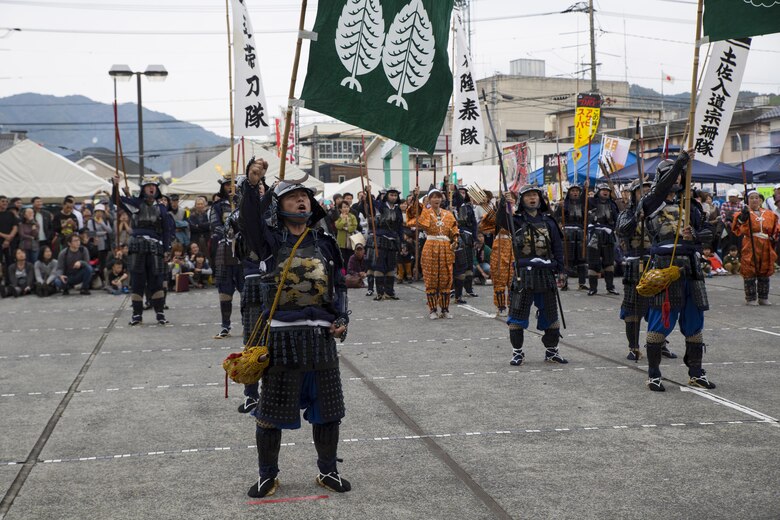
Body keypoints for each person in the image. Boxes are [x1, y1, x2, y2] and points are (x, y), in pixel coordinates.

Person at [240, 167, 351, 498]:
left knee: (329, 412)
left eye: (304, 197)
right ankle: (267, 475)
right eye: (292, 197)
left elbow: (339, 284)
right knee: (271, 414)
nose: (301, 201)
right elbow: (249, 222)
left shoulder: (327, 243)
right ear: (279, 206)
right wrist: (252, 183)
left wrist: (342, 317)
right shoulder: (270, 243)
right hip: (283, 339)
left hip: (320, 340)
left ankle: (328, 471)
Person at [640, 151, 714, 391]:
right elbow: (659, 191)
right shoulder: (651, 202)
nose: (677, 180)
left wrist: (697, 235)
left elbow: (708, 233)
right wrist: (679, 162)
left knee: (694, 324)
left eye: (680, 175)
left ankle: (695, 372)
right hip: (664, 267)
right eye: (671, 175)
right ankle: (654, 374)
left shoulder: (690, 205)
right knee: (660, 323)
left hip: (690, 268)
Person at [498, 185, 568, 366]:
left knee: (551, 315)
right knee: (517, 314)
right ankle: (517, 352)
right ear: (522, 200)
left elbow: (557, 248)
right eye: (528, 196)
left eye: (535, 195)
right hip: (524, 274)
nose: (532, 198)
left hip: (546, 273)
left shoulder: (549, 221)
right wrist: (502, 203)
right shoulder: (516, 221)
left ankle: (552, 351)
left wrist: (560, 270)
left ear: (540, 199)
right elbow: (501, 220)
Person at [112, 175, 173, 325]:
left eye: (154, 186)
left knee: (157, 281)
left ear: (157, 189)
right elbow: (116, 201)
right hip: (137, 247)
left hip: (155, 247)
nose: (151, 188)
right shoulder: (136, 204)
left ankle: (160, 313)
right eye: (148, 186)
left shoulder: (162, 208)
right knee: (138, 281)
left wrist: (166, 249)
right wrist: (115, 185)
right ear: (143, 189)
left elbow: (166, 231)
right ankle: (137, 315)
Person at [408, 187, 459, 319]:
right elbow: (415, 212)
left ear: (442, 199)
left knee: (445, 278)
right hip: (430, 246)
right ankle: (432, 310)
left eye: (439, 196)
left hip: (446, 248)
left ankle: (445, 309)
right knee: (431, 279)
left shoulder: (448, 214)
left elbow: (454, 229)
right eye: (434, 197)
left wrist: (455, 240)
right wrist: (415, 197)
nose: (436, 199)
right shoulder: (425, 213)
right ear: (429, 199)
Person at [210, 176, 244, 339]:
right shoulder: (217, 206)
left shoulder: (245, 205)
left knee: (246, 291)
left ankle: (248, 324)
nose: (231, 188)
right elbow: (214, 227)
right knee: (225, 291)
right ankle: (225, 325)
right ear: (222, 187)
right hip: (224, 249)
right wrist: (227, 231)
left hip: (243, 249)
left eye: (233, 185)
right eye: (227, 186)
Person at [732, 190, 780, 305]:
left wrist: (774, 238)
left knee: (765, 268)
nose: (754, 200)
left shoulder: (769, 213)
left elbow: (775, 228)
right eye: (752, 198)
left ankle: (763, 297)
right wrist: (743, 216)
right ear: (747, 200)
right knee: (749, 268)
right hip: (750, 242)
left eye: (757, 198)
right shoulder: (743, 213)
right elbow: (736, 227)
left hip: (765, 243)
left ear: (760, 200)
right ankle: (751, 298)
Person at [479, 195, 515, 316]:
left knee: (513, 279)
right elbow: (483, 226)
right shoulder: (497, 216)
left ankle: (513, 305)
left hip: (513, 248)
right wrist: (496, 210)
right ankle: (501, 306)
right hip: (499, 246)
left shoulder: (518, 214)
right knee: (499, 277)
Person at [370, 186, 403, 300]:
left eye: (395, 195)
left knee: (391, 267)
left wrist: (401, 242)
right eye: (391, 195)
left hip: (394, 240)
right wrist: (368, 192)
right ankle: (380, 293)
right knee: (380, 266)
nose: (393, 197)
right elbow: (370, 202)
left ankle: (389, 292)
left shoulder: (398, 209)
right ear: (387, 196)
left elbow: (400, 227)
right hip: (381, 239)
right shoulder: (381, 206)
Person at [586, 184, 620, 296]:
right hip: (594, 234)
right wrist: (585, 188)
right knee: (593, 261)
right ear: (598, 191)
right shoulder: (591, 202)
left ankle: (610, 287)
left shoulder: (612, 204)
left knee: (609, 261)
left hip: (608, 234)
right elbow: (582, 202)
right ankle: (593, 288)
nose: (605, 192)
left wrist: (614, 229)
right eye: (603, 190)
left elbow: (617, 219)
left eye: (607, 190)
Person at [555, 185, 589, 290]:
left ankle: (582, 283)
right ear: (569, 192)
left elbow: (586, 219)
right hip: (568, 233)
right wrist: (559, 209)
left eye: (577, 191)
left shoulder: (583, 204)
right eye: (573, 191)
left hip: (580, 232)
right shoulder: (563, 204)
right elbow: (556, 218)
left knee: (581, 259)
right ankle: (565, 283)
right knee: (567, 259)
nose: (575, 193)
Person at [452, 185, 478, 303]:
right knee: (456, 266)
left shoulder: (468, 208)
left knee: (468, 265)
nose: (462, 194)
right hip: (453, 239)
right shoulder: (449, 207)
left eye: (463, 192)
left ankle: (468, 289)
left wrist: (475, 238)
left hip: (467, 238)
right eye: (460, 192)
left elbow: (474, 224)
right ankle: (454, 290)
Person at [334, 200, 357, 268]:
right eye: (344, 207)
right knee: (342, 258)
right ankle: (343, 273)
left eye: (347, 207)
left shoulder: (352, 216)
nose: (346, 208)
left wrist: (346, 228)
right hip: (341, 242)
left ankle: (350, 271)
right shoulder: (338, 217)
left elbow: (354, 226)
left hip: (351, 240)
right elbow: (338, 226)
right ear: (340, 209)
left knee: (350, 258)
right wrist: (343, 220)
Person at [0, 195, 19, 269]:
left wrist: (8, 239)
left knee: (10, 262)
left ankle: (10, 279)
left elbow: (15, 227)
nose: (5, 203)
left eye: (6, 201)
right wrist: (5, 236)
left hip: (10, 242)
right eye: (3, 201)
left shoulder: (10, 214)